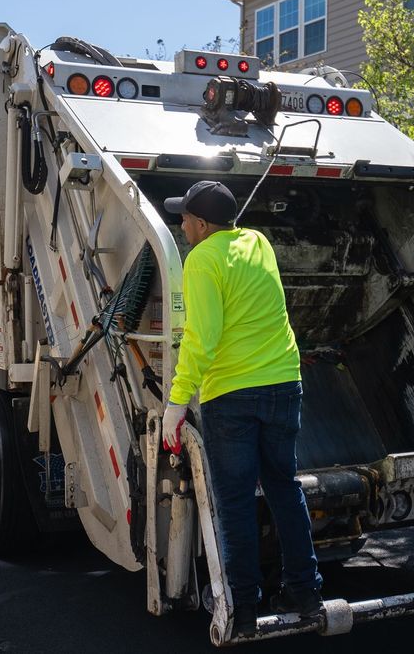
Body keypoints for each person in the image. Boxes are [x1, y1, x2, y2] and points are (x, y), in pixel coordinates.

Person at [159, 180, 322, 636]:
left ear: (203, 224)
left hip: (232, 395)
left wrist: (176, 401)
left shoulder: (201, 260)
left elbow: (201, 338)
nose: (182, 224)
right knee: (285, 489)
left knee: (234, 503)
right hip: (284, 384)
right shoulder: (259, 242)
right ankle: (306, 594)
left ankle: (244, 610)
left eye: (186, 218)